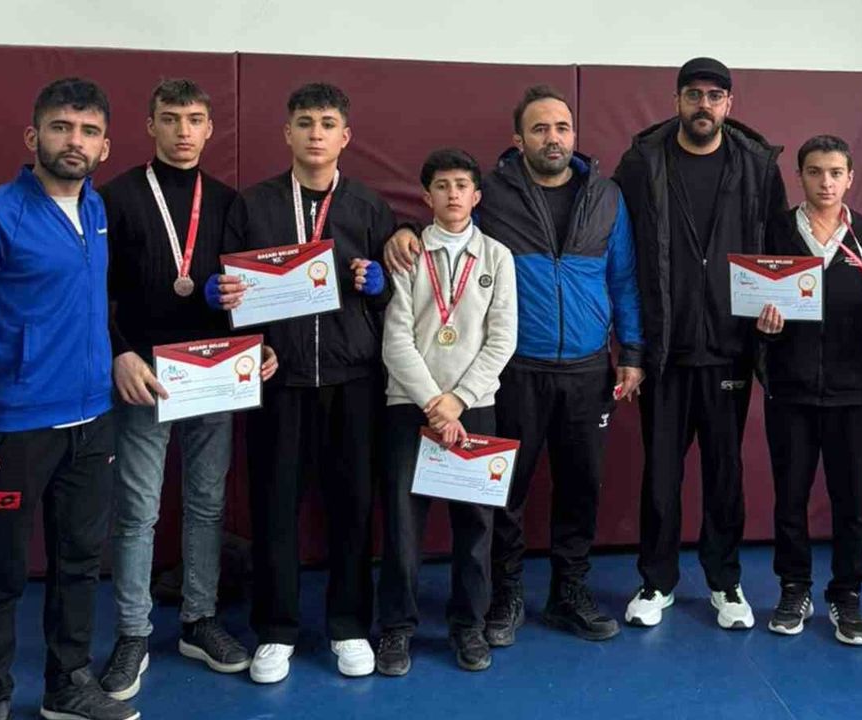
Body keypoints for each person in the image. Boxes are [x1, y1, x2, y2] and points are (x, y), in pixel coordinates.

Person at [383, 85, 642, 646]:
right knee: (505, 490)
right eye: (540, 129)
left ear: (574, 135)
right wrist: (399, 232)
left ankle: (570, 592)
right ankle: (506, 594)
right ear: (518, 139)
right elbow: (445, 223)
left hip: (588, 368)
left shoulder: (607, 196)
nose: (553, 138)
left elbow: (622, 277)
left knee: (582, 487)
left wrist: (633, 351)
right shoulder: (493, 192)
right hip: (515, 369)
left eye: (562, 128)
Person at [0, 78, 140, 720]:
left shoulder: (97, 210)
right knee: (2, 568)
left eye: (89, 131)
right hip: (16, 426)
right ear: (34, 136)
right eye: (62, 127)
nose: (75, 141)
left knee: (80, 561)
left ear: (105, 147)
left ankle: (68, 685)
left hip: (94, 420)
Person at [96, 78, 275, 701]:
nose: (183, 131)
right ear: (151, 125)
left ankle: (200, 620)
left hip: (216, 372)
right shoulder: (116, 196)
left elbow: (247, 290)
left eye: (194, 119)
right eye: (170, 118)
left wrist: (257, 339)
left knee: (206, 504)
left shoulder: (227, 201)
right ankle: (133, 633)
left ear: (209, 128)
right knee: (138, 510)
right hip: (146, 374)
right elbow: (94, 288)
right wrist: (119, 352)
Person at [216, 82, 395, 684]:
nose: (316, 133)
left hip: (354, 379)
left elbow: (394, 298)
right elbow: (235, 295)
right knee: (275, 507)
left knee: (353, 505)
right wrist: (244, 328)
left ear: (345, 136)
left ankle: (349, 625)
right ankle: (276, 629)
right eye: (305, 123)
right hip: (280, 380)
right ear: (287, 133)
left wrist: (378, 287)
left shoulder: (369, 206)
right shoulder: (254, 205)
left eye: (327, 123)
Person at [613, 57, 787, 630]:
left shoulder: (757, 166)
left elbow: (776, 247)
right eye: (694, 95)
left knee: (724, 474)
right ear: (677, 101)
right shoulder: (641, 162)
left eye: (715, 96)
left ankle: (725, 581)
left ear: (729, 104)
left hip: (731, 348)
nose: (704, 105)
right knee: (661, 476)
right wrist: (633, 348)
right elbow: (622, 250)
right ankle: (656, 581)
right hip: (665, 349)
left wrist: (777, 308)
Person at [376, 148, 517, 674]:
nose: (453, 194)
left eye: (462, 185)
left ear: (476, 196)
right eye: (442, 185)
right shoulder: (409, 254)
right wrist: (433, 402)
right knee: (402, 525)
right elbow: (395, 339)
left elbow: (502, 339)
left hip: (474, 406)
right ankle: (396, 628)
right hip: (408, 405)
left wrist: (458, 400)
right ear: (427, 196)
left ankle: (468, 626)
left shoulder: (497, 257)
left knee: (476, 525)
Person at [755, 135, 862, 644]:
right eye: (815, 172)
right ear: (800, 177)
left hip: (853, 392)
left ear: (850, 178)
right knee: (790, 498)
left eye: (835, 173)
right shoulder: (776, 231)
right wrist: (765, 328)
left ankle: (846, 593)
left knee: (850, 501)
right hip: (789, 390)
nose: (825, 182)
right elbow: (755, 304)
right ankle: (794, 587)